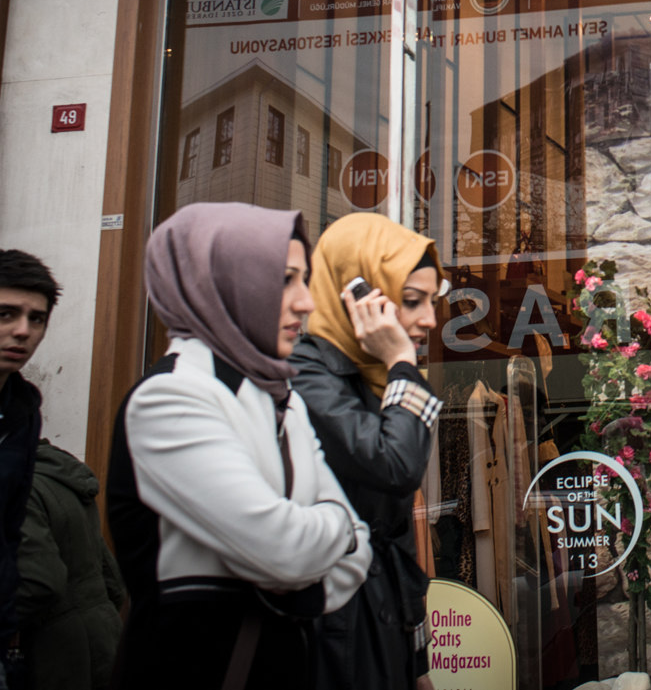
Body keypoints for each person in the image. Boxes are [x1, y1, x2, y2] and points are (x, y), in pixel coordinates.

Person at [106, 202, 372, 690]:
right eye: (285, 279)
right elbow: (288, 548)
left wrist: (305, 559)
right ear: (222, 283)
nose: (306, 302)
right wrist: (335, 532)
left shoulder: (277, 397)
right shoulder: (169, 398)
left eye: (304, 279)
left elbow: (357, 554)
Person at [289, 213, 445, 690]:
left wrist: (417, 661)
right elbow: (395, 466)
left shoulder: (373, 375)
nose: (429, 320)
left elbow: (397, 535)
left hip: (383, 625)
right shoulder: (306, 373)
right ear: (357, 296)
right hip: (336, 634)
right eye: (412, 300)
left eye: (431, 302)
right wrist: (401, 359)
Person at [15, 439, 125, 690]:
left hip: (54, 657)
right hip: (104, 643)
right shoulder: (59, 476)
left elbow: (39, 582)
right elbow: (113, 582)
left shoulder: (18, 487)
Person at [0, 251, 57, 690]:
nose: (22, 330)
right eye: (6, 314)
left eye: (36, 319)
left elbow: (10, 530)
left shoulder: (23, 409)